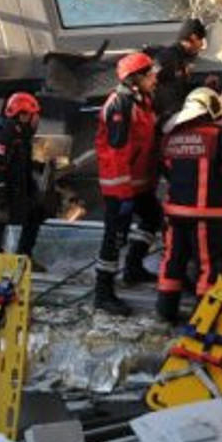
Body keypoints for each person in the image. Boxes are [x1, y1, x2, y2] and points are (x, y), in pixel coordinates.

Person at [156, 88, 222, 322]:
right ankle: (204, 317)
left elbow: (165, 169)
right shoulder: (220, 135)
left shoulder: (171, 136)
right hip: (207, 215)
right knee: (209, 265)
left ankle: (165, 312)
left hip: (174, 212)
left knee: (173, 260)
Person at [94, 52, 163, 315]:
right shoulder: (121, 105)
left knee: (153, 217)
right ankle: (103, 293)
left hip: (139, 182)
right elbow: (116, 152)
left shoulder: (142, 100)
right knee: (114, 237)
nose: (155, 77)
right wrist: (123, 195)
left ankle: (133, 268)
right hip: (120, 186)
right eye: (150, 74)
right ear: (135, 79)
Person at [0, 92, 45, 271]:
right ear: (23, 116)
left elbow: (19, 165)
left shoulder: (20, 135)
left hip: (12, 193)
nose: (37, 121)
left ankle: (23, 258)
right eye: (34, 116)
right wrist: (1, 201)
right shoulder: (2, 134)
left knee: (36, 213)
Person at [152, 18, 209, 126]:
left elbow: (180, 88)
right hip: (166, 117)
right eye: (201, 41)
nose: (201, 46)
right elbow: (152, 86)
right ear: (193, 38)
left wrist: (203, 85)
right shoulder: (167, 58)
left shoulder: (181, 58)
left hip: (177, 113)